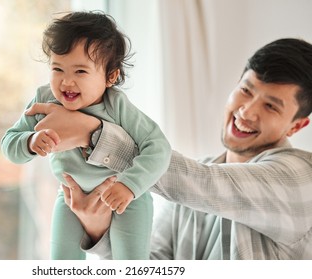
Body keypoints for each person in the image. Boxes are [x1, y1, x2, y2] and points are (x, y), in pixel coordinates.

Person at [25, 38, 312, 259]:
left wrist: (92, 133)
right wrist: (96, 227)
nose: (247, 112)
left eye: (271, 106)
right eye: (246, 90)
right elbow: (154, 266)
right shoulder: (184, 187)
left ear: (296, 126)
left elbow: (204, 183)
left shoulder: (302, 177)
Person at [0, 11, 171, 260]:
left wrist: (130, 186)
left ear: (111, 76)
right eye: (57, 69)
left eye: (80, 72)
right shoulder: (44, 99)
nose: (66, 82)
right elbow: (8, 144)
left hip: (126, 199)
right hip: (70, 195)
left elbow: (158, 147)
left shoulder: (117, 106)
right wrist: (29, 141)